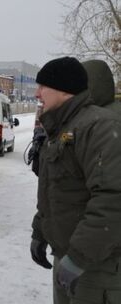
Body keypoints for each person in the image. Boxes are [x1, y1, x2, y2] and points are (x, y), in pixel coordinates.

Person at [30, 57, 121, 304]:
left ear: (63, 89)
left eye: (42, 87)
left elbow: (112, 200)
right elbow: (56, 190)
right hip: (71, 258)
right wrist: (40, 230)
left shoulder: (98, 127)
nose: (37, 94)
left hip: (96, 267)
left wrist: (79, 258)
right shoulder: (64, 127)